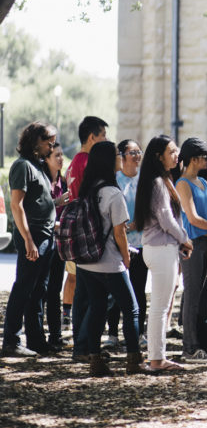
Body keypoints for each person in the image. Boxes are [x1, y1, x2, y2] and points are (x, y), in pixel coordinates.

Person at [74, 141, 148, 376]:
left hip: (86, 261)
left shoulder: (88, 189)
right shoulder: (113, 193)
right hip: (109, 262)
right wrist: (126, 257)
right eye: (117, 155)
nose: (120, 157)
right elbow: (119, 232)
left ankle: (95, 360)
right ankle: (134, 360)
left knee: (97, 308)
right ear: (109, 160)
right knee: (132, 309)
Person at [134, 135, 192, 371]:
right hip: (161, 249)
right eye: (172, 152)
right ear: (159, 156)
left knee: (160, 306)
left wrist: (180, 243)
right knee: (160, 307)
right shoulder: (158, 183)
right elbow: (166, 220)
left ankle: (157, 357)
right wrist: (185, 240)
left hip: (160, 248)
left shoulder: (159, 180)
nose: (177, 155)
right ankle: (157, 359)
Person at [1, 123, 57, 357]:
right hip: (33, 236)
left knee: (39, 290)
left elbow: (39, 201)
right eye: (48, 142)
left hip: (46, 236)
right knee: (24, 287)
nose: (52, 146)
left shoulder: (39, 166)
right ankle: (11, 341)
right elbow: (17, 205)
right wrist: (28, 240)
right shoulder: (23, 166)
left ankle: (35, 340)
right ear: (35, 141)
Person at [175, 138, 207, 364]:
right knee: (192, 295)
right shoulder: (183, 184)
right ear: (194, 158)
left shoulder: (203, 181)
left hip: (206, 242)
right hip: (192, 244)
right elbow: (192, 217)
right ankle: (189, 348)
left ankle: (199, 342)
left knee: (202, 296)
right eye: (206, 156)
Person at [65, 116, 108, 361]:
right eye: (102, 136)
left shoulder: (74, 162)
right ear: (92, 137)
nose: (105, 141)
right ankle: (83, 346)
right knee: (94, 294)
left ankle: (82, 346)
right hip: (87, 233)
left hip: (79, 233)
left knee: (84, 292)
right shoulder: (86, 162)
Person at [112, 139, 148, 349]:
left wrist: (138, 224)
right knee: (116, 292)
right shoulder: (115, 180)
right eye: (131, 152)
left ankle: (138, 332)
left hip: (141, 244)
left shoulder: (146, 181)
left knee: (138, 290)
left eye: (138, 151)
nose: (136, 156)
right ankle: (113, 334)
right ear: (122, 156)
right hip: (118, 244)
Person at [44, 142, 70, 351]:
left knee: (54, 290)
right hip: (44, 240)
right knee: (41, 290)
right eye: (56, 155)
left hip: (60, 242)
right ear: (46, 158)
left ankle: (55, 335)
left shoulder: (63, 182)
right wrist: (58, 202)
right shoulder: (43, 182)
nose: (61, 159)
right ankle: (37, 336)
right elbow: (38, 210)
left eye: (62, 155)